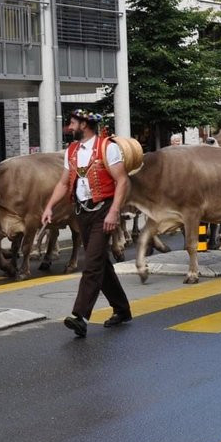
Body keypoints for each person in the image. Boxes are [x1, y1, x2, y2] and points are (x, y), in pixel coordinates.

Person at [41, 109, 131, 338]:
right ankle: (122, 309)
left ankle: (80, 316)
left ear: (85, 124)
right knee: (100, 262)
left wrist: (114, 212)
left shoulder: (106, 147)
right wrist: (49, 206)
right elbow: (63, 183)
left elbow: (122, 181)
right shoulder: (71, 151)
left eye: (72, 123)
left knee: (90, 263)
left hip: (103, 211)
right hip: (82, 212)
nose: (69, 127)